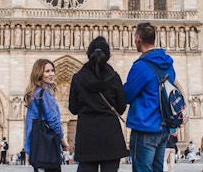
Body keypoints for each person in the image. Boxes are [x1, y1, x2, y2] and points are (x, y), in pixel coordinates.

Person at [68, 36, 129, 172]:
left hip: (87, 138)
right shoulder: (114, 77)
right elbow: (121, 107)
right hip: (111, 137)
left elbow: (73, 109)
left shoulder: (77, 78)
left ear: (88, 54)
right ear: (107, 56)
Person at [123, 22, 176, 172]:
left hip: (145, 127)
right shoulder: (167, 64)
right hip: (163, 127)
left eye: (135, 38)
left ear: (138, 38)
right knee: (157, 168)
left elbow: (127, 95)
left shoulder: (142, 65)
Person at [24, 59, 70, 172]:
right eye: (47, 71)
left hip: (37, 144)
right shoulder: (44, 93)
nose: (52, 74)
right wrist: (62, 140)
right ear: (39, 74)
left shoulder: (35, 93)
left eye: (53, 70)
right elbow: (53, 120)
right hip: (48, 145)